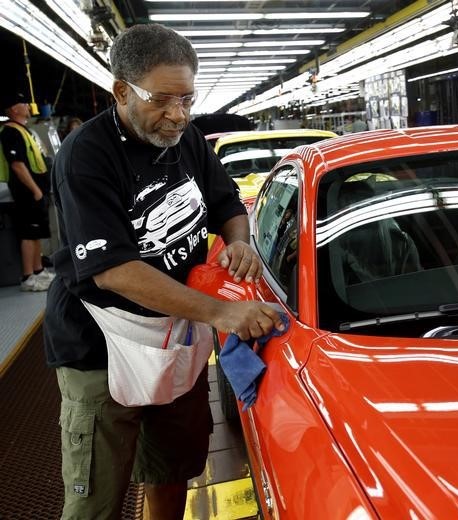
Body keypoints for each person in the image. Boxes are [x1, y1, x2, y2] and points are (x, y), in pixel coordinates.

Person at [43, 24, 284, 520]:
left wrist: (239, 242)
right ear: (122, 91)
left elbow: (226, 204)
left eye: (187, 100)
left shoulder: (187, 139)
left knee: (172, 470)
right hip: (102, 346)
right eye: (162, 100)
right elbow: (112, 271)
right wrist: (223, 313)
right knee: (96, 501)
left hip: (177, 332)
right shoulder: (86, 156)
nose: (177, 115)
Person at [0, 90, 54, 291]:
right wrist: (35, 190)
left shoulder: (25, 130)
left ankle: (39, 271)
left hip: (35, 191)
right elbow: (17, 164)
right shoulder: (11, 132)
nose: (29, 107)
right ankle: (28, 276)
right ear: (15, 108)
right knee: (28, 233)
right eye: (24, 104)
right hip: (26, 192)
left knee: (36, 232)